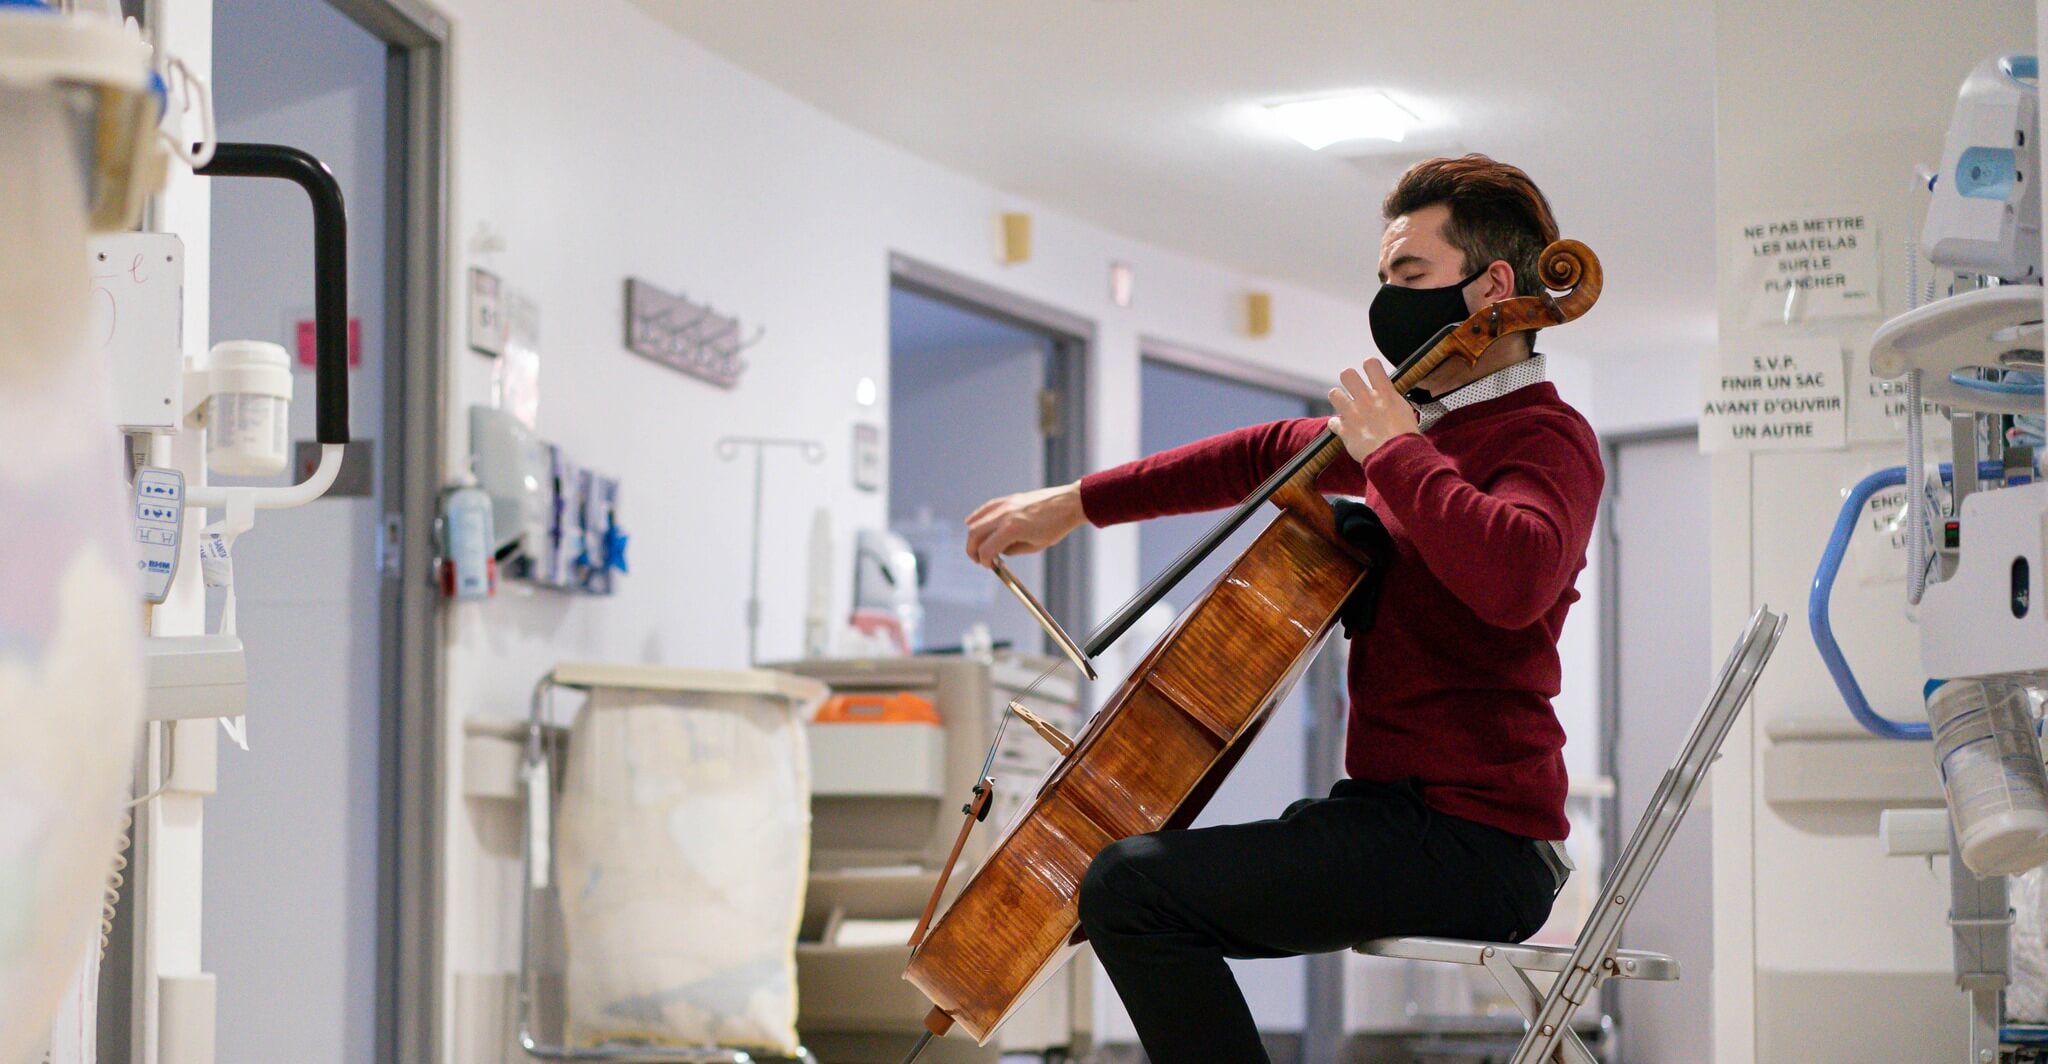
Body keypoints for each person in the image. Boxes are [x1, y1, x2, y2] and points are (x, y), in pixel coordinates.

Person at [962, 154, 1604, 1064]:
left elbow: (1516, 576)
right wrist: (1074, 501)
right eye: (1383, 277)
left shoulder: (1547, 437)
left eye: (1410, 275)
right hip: (1384, 815)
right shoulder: (1422, 426)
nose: (1387, 299)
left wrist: (1395, 453)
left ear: (1494, 285)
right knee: (1134, 888)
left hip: (1481, 843)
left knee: (1134, 892)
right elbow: (1261, 453)